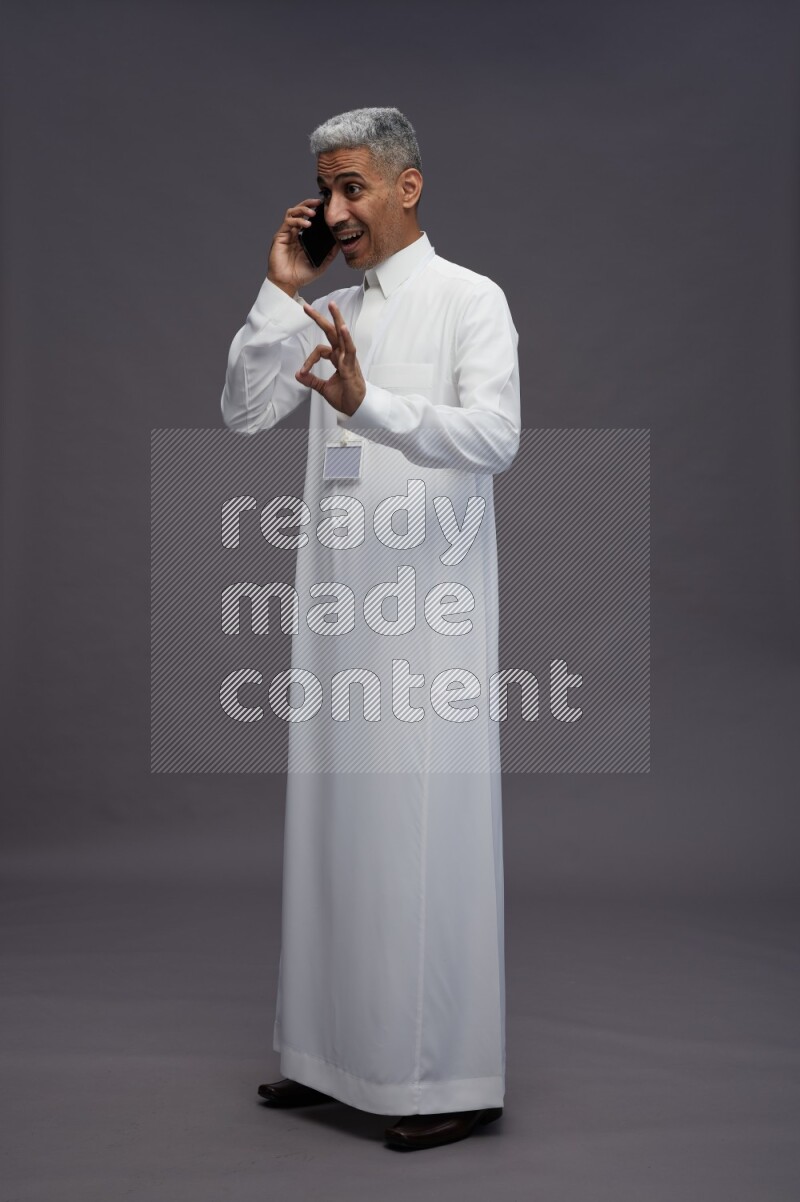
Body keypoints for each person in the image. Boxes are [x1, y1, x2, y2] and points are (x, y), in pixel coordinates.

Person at [220, 107, 520, 1151]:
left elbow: (494, 434)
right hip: (337, 610)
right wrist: (279, 291)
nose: (336, 210)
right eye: (324, 190)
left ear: (407, 186)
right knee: (334, 830)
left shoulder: (467, 299)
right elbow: (242, 407)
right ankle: (326, 1053)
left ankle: (445, 1072)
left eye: (353, 188)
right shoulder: (329, 302)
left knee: (416, 837)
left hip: (423, 622)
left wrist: (370, 402)